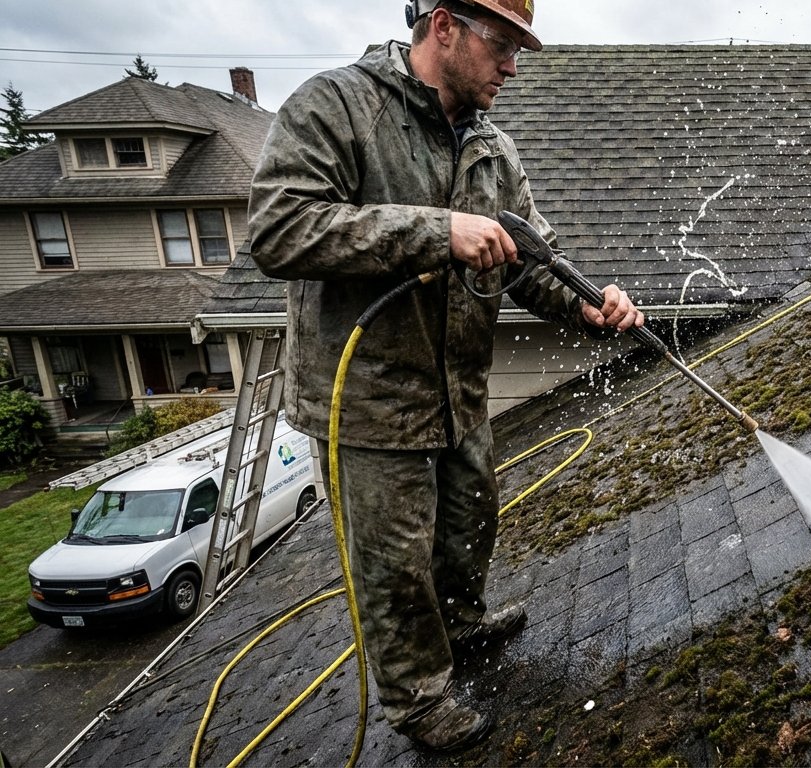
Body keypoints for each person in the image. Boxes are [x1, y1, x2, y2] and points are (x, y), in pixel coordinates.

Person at [247, 0, 644, 751]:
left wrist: (588, 303)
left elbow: (532, 258)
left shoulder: (491, 148)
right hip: (367, 400)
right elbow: (278, 229)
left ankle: (460, 628)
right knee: (395, 563)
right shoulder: (338, 107)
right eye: (502, 45)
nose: (513, 66)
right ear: (444, 26)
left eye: (519, 49)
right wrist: (436, 232)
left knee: (470, 521)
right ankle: (419, 698)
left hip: (457, 388)